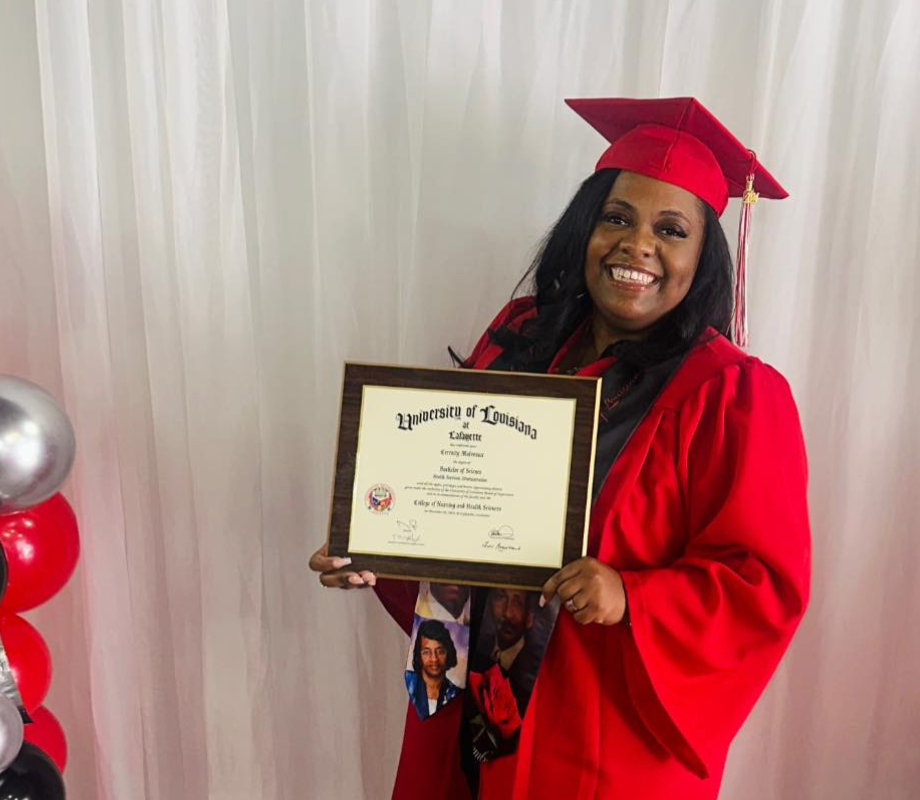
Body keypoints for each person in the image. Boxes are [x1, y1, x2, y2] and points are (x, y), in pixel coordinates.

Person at [310, 96, 811, 800]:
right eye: (616, 218)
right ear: (584, 230)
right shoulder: (519, 340)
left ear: (701, 258)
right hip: (475, 709)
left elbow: (762, 585)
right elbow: (457, 512)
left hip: (603, 733)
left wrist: (631, 595)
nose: (638, 244)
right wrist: (375, 549)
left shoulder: (732, 395)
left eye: (670, 229)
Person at [406, 618, 462, 720]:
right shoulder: (410, 682)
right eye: (426, 652)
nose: (434, 659)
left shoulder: (455, 693)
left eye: (440, 652)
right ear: (419, 655)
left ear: (448, 653)